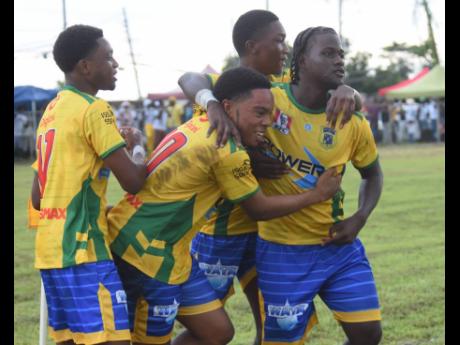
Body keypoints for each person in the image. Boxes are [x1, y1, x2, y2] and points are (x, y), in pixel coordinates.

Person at [106, 67, 342, 345]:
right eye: (259, 113)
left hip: (173, 253)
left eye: (270, 114)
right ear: (227, 107)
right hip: (147, 254)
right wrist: (316, 195)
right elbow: (259, 208)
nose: (268, 122)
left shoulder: (200, 121)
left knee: (218, 332)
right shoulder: (227, 149)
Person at [178, 10, 362, 345]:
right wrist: (213, 105)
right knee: (206, 333)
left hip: (267, 235)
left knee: (272, 323)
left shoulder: (275, 89)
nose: (285, 48)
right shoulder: (227, 94)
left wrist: (347, 89)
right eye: (278, 41)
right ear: (253, 46)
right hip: (223, 231)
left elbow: (320, 95)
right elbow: (189, 77)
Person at [30, 24, 148, 345]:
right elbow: (134, 181)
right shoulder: (95, 109)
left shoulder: (51, 111)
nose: (115, 64)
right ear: (85, 67)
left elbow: (38, 197)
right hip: (84, 251)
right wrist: (137, 145)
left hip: (50, 253)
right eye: (108, 57)